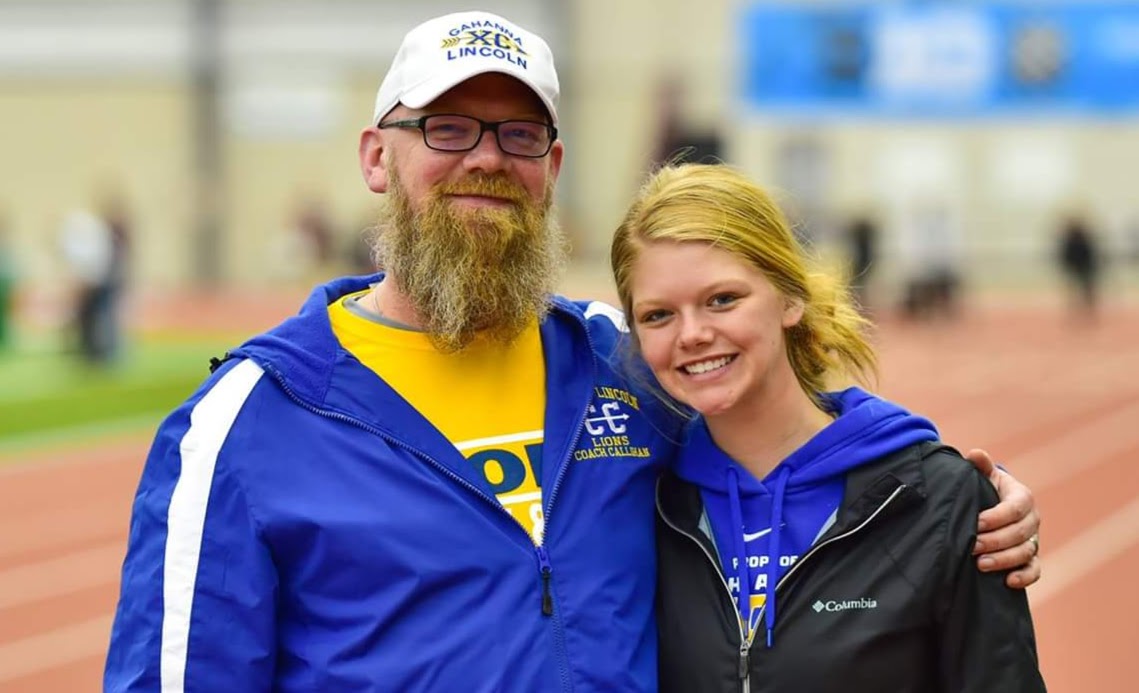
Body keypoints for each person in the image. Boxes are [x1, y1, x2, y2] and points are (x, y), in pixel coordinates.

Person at [104, 11, 1041, 692]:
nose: (485, 158)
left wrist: (948, 488)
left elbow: (786, 432)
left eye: (518, 133)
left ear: (550, 169)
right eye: (445, 128)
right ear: (376, 157)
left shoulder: (625, 366)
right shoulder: (247, 423)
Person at [611, 163, 1045, 692]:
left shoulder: (937, 501)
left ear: (791, 298)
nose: (693, 334)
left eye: (722, 299)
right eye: (658, 315)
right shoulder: (643, 501)